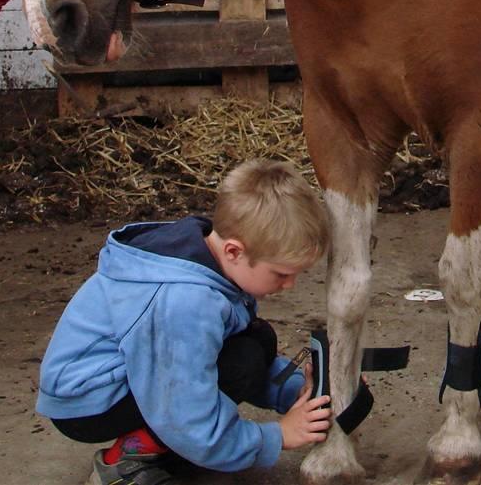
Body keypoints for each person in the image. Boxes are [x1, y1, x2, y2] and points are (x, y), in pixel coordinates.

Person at [35, 159, 332, 485]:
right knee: (242, 360)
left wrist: (299, 395)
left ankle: (180, 451)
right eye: (282, 273)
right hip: (87, 403)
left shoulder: (208, 260)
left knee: (255, 342)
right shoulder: (185, 302)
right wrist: (277, 437)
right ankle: (124, 460)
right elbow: (183, 412)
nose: (290, 285)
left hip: (129, 379)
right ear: (234, 251)